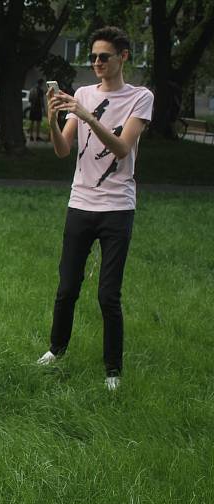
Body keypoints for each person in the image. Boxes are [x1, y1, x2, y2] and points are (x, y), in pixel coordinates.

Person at [36, 26, 154, 391]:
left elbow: (121, 148)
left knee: (108, 293)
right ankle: (56, 349)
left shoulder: (140, 97)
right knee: (67, 286)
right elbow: (62, 150)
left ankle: (113, 370)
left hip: (118, 207)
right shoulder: (84, 93)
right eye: (93, 57)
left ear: (123, 57)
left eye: (104, 56)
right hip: (80, 203)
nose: (97, 63)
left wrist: (86, 115)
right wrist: (53, 119)